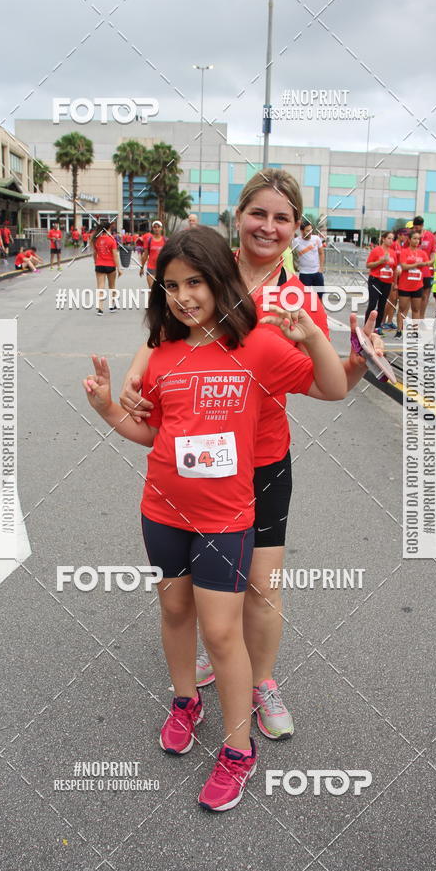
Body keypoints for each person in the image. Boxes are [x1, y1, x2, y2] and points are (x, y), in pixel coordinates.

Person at [83, 227, 348, 811]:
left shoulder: (257, 347)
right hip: (161, 509)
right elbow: (152, 433)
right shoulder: (165, 353)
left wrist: (312, 338)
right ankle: (185, 700)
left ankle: (238, 749)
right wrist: (106, 409)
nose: (182, 296)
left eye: (195, 281)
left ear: (219, 280)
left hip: (227, 517)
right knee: (174, 609)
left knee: (223, 633)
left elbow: (331, 388)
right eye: (171, 285)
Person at [119, 169, 384, 741]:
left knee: (261, 584)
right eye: (258, 214)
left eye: (282, 217)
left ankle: (261, 681)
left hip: (262, 461)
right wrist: (136, 375)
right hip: (193, 463)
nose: (268, 226)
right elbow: (164, 325)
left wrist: (360, 358)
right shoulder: (209, 265)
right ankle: (220, 656)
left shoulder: (296, 298)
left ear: (297, 227)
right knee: (201, 592)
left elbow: (323, 382)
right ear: (238, 217)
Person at [394, 230, 433, 339]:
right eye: (414, 238)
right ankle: (399, 330)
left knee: (416, 309)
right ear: (410, 239)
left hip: (417, 284)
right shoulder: (404, 251)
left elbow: (427, 263)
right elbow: (403, 266)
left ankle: (415, 330)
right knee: (402, 308)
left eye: (418, 239)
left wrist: (428, 262)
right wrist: (417, 264)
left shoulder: (422, 253)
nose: (417, 241)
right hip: (405, 285)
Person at [364, 231, 397, 333]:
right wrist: (380, 261)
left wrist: (394, 282)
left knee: (382, 305)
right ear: (383, 239)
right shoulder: (376, 251)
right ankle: (367, 326)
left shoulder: (393, 253)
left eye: (392, 239)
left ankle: (378, 326)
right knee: (373, 303)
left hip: (387, 281)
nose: (391, 241)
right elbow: (368, 265)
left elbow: (395, 268)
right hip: (376, 279)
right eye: (389, 238)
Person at [91, 221, 122, 315]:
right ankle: (112, 306)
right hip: (110, 266)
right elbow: (115, 255)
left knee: (100, 287)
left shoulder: (96, 239)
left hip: (99, 265)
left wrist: (96, 262)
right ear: (109, 229)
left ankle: (100, 309)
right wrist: (119, 269)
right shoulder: (112, 240)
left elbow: (94, 254)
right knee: (112, 286)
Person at [291, 222, 325, 297]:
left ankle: (321, 308)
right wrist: (294, 267)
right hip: (304, 274)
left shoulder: (316, 239)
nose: (310, 232)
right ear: (302, 231)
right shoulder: (296, 241)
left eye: (311, 230)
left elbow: (321, 253)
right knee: (305, 297)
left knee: (320, 296)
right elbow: (290, 254)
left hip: (317, 272)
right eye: (307, 231)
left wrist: (321, 268)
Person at [412, 216, 436, 319]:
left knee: (425, 295)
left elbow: (433, 251)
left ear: (422, 225)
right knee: (413, 295)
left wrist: (430, 262)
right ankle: (414, 318)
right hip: (413, 269)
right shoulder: (412, 236)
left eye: (418, 227)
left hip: (426, 270)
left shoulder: (430, 236)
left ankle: (421, 317)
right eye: (414, 227)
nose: (416, 229)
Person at [139, 220, 167, 288]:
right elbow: (145, 255)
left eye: (158, 227)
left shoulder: (165, 240)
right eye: (155, 227)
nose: (156, 229)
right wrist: (142, 267)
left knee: (161, 291)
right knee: (152, 290)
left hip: (162, 269)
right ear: (152, 228)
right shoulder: (149, 240)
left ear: (161, 228)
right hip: (151, 268)